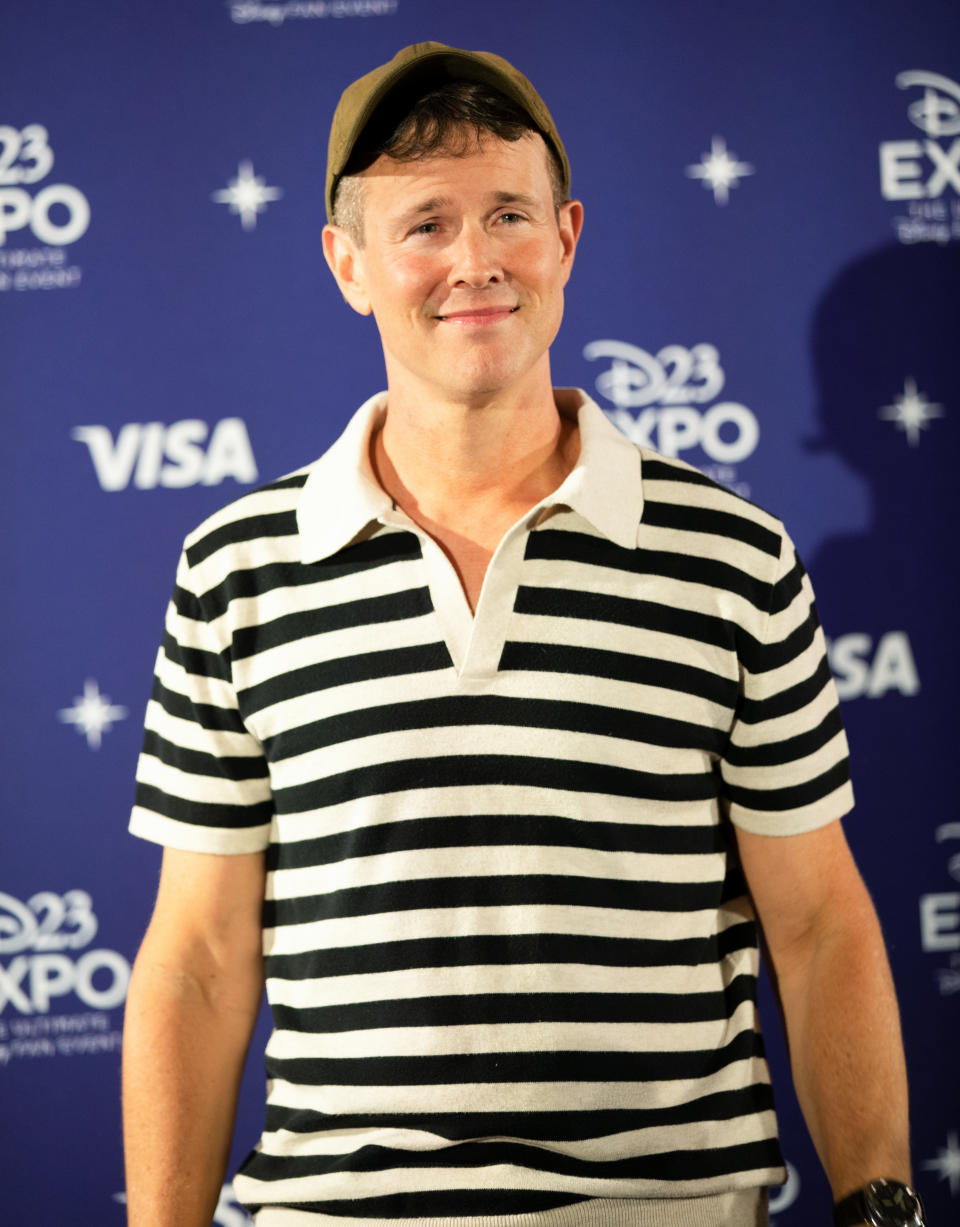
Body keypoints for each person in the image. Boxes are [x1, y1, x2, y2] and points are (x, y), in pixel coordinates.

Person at [122, 42, 923, 1227]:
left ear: (567, 239)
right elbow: (193, 959)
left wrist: (880, 1205)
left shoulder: (733, 556)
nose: (476, 261)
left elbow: (818, 927)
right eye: (426, 224)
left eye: (509, 213)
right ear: (348, 264)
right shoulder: (236, 568)